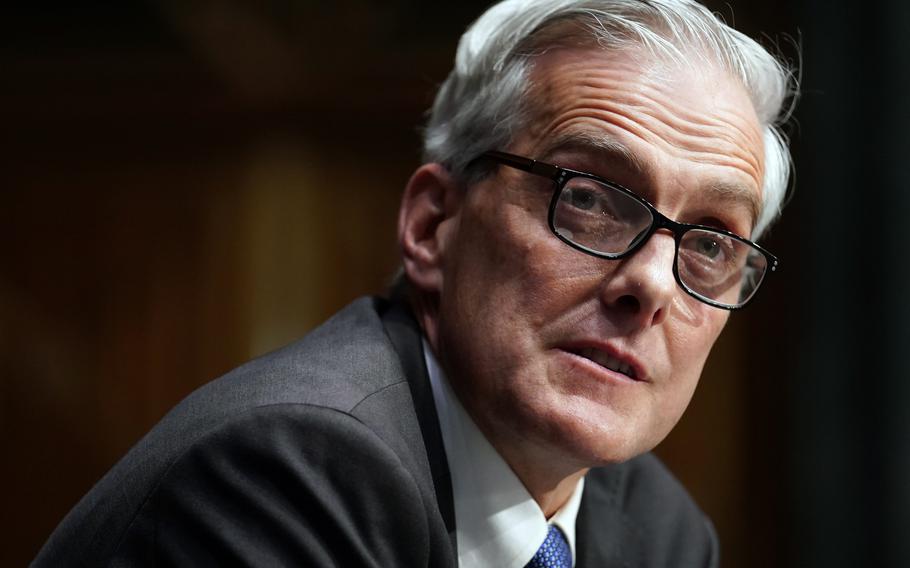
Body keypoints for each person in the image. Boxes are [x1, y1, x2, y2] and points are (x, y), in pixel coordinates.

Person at [35, 0, 796, 566]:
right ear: (435, 224)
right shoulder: (289, 468)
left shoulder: (653, 531)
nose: (652, 284)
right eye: (590, 200)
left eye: (710, 243)